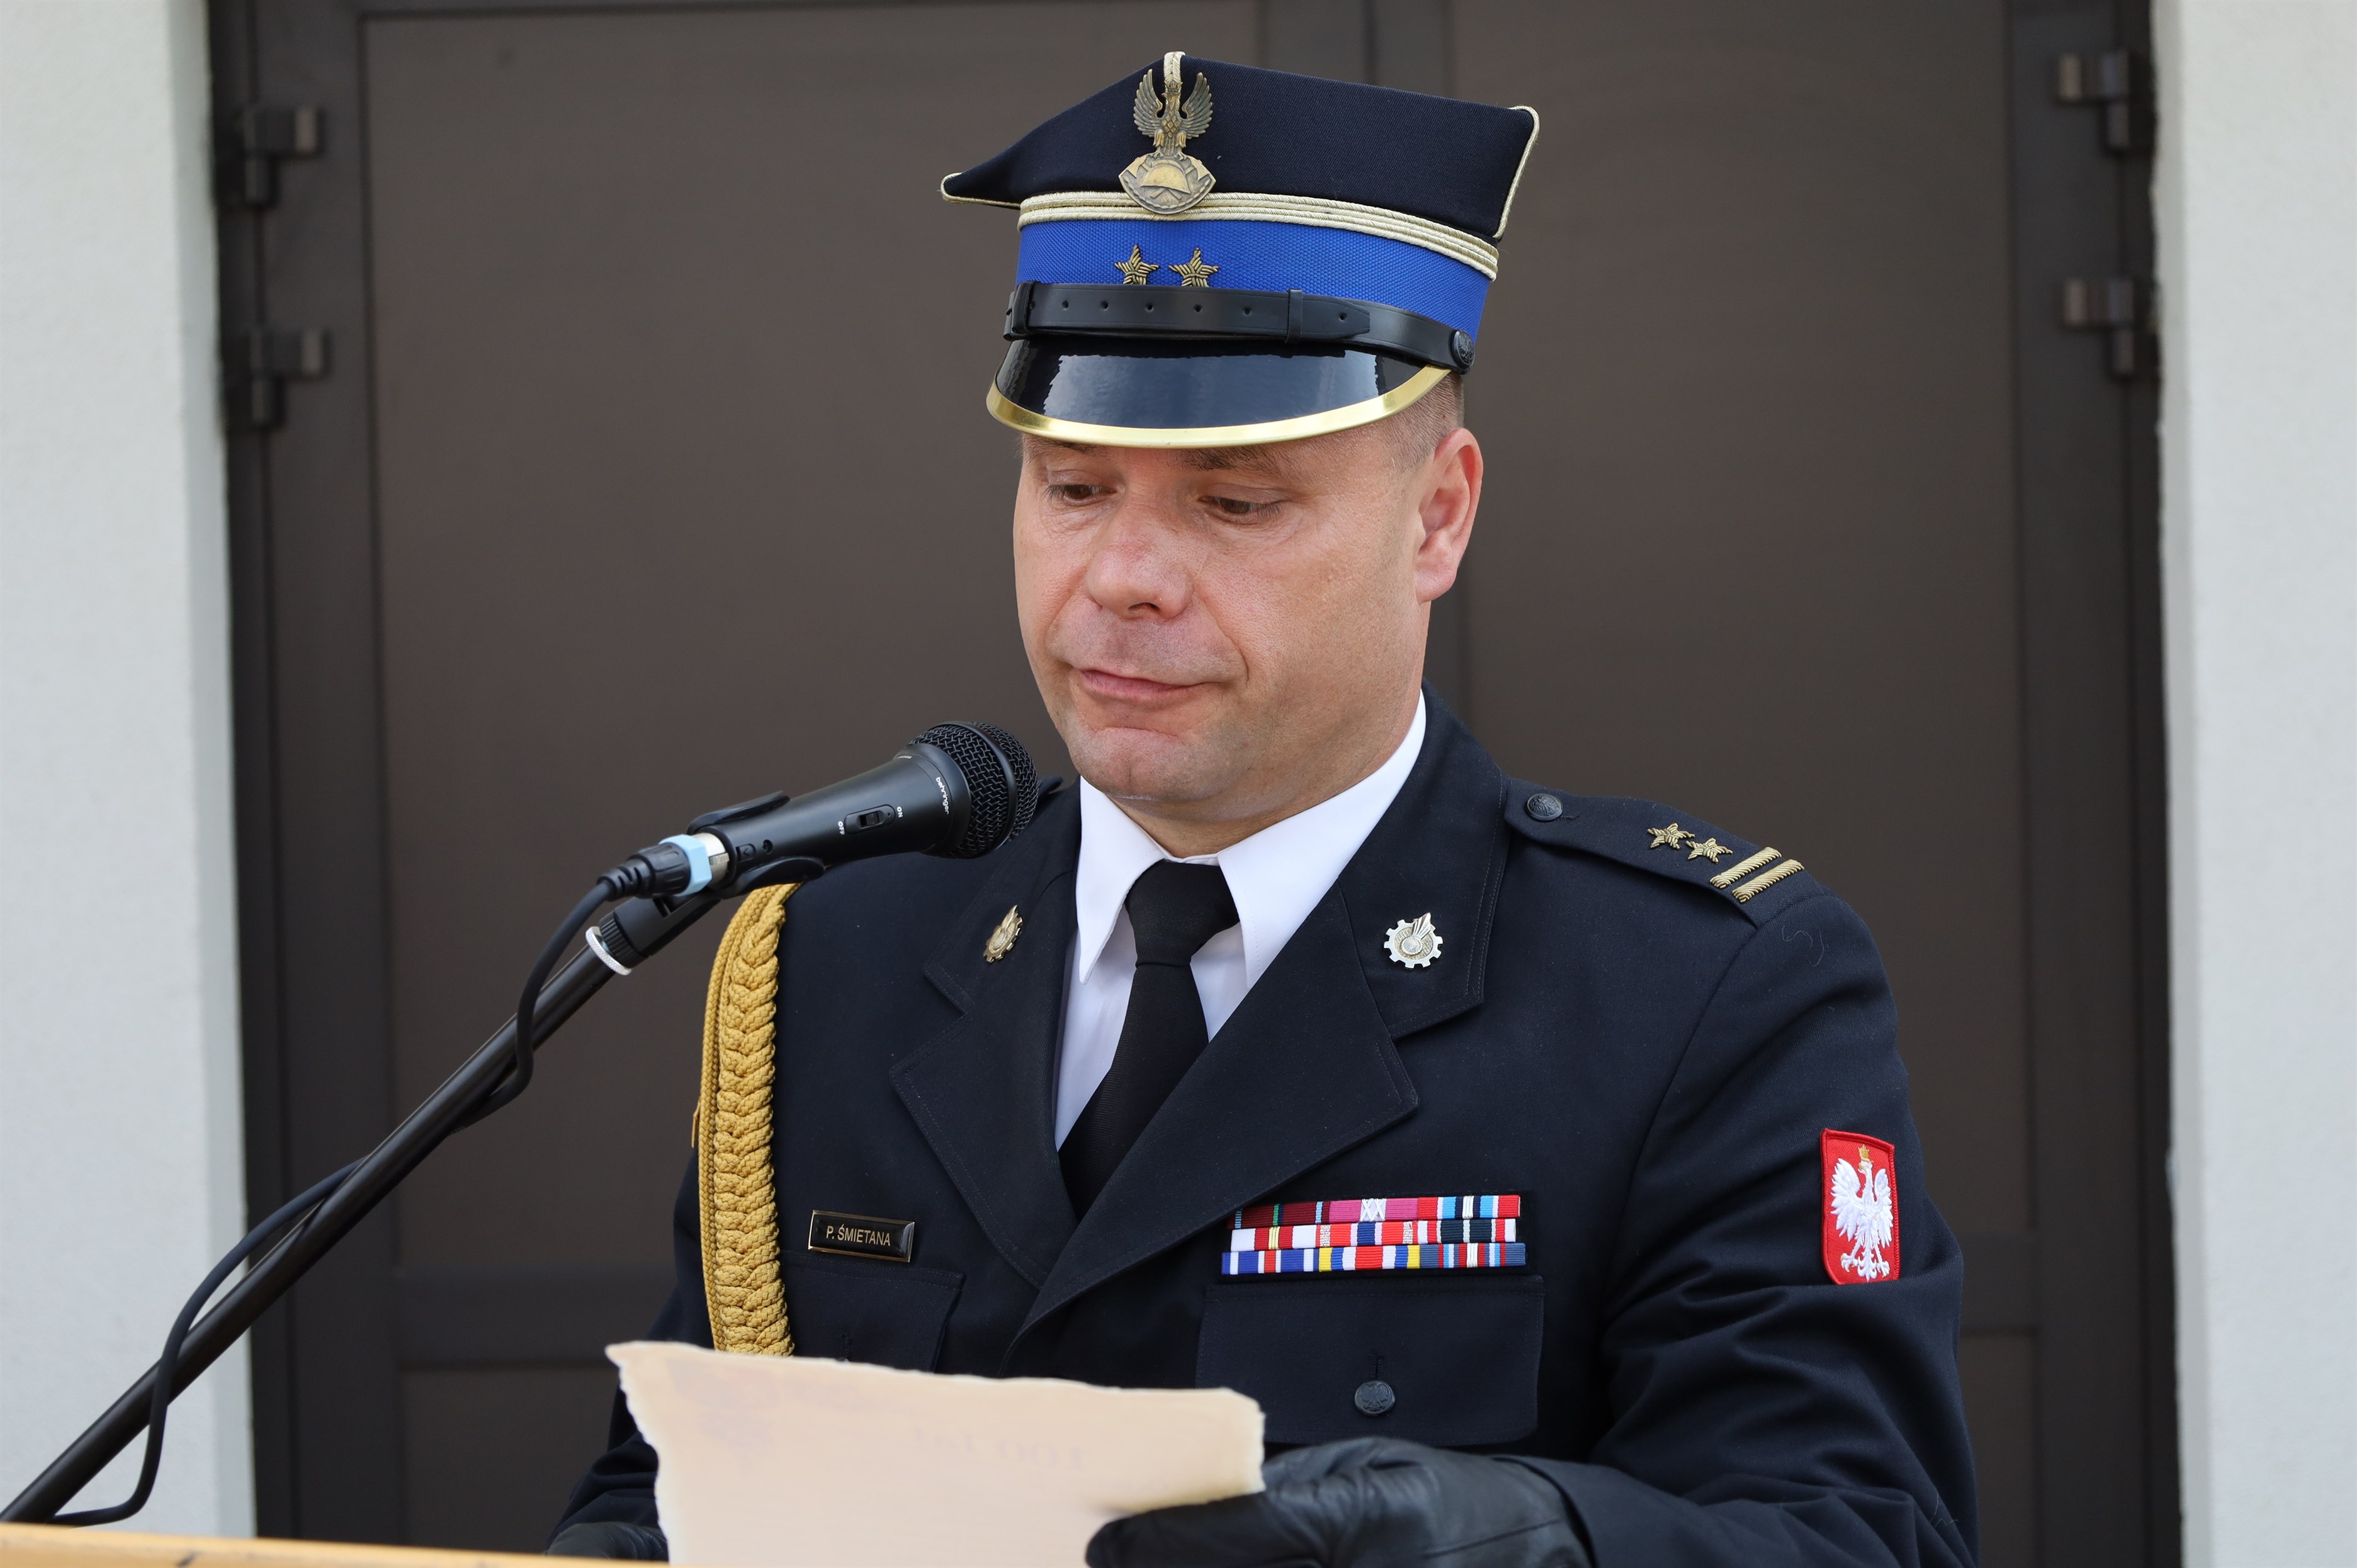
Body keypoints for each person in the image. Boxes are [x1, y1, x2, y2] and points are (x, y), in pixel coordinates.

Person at [548, 53, 1977, 1568]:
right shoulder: (841, 958)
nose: (1121, 579)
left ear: (1438, 517)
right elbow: (669, 1489)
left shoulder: (1695, 993)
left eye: (1235, 503)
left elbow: (1854, 1533)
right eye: (1073, 488)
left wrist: (1537, 1537)